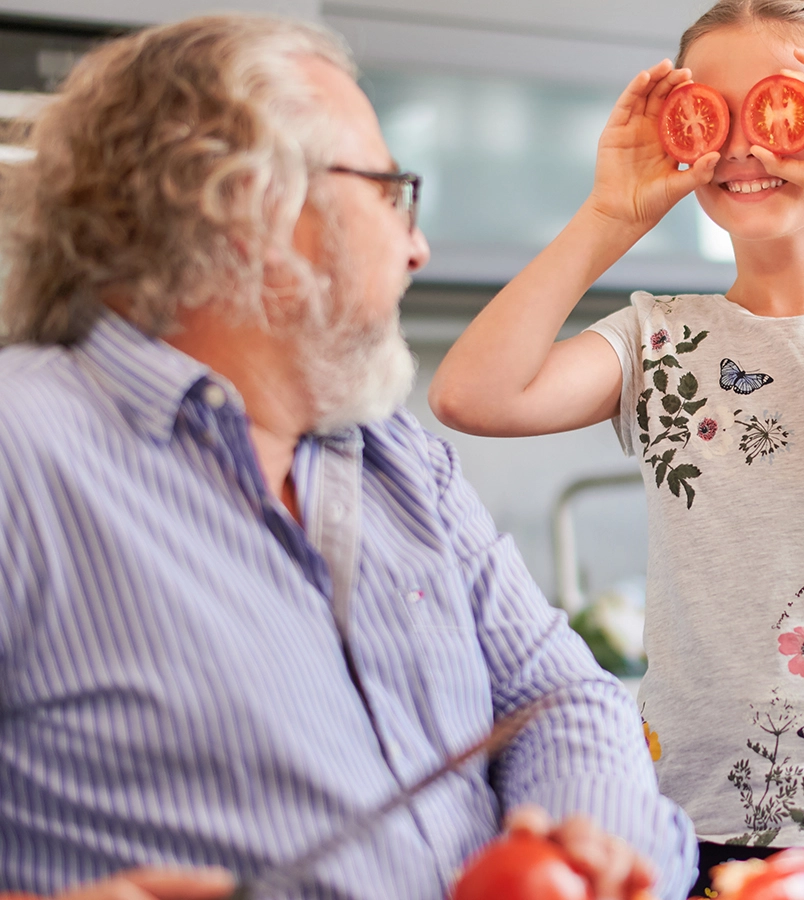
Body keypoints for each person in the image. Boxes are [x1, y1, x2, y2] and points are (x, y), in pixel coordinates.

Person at [0, 15, 694, 900]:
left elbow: (565, 700)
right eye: (390, 191)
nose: (418, 245)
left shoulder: (401, 464)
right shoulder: (21, 448)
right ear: (254, 203)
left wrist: (586, 836)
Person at [428, 0, 804, 891]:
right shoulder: (658, 338)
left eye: (786, 109)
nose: (750, 142)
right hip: (700, 800)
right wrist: (607, 215)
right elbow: (469, 394)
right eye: (713, 111)